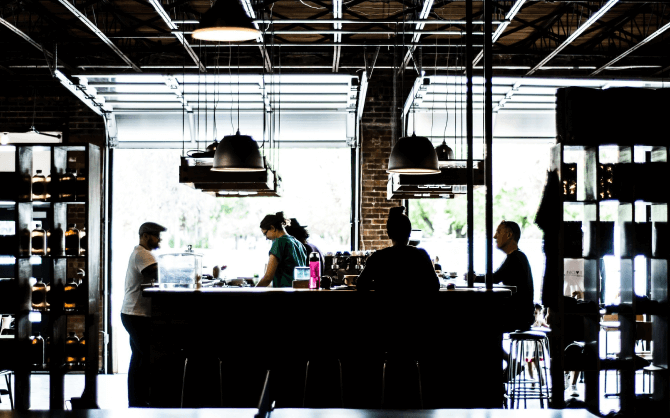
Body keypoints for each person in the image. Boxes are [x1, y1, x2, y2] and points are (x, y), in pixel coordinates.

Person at [120, 221, 166, 407]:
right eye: (156, 236)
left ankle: (136, 401)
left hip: (133, 313)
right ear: (145, 236)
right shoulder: (142, 254)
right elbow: (158, 274)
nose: (159, 240)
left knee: (139, 358)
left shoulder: (143, 253)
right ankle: (142, 400)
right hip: (135, 314)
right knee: (147, 357)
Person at [356, 206, 439, 292]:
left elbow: (361, 285)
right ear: (409, 232)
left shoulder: (377, 257)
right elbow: (435, 286)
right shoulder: (421, 255)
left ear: (389, 234)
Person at [492, 220, 535, 332]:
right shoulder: (517, 256)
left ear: (509, 235)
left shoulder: (515, 258)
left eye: (498, 232)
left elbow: (495, 278)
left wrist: (475, 278)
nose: (494, 236)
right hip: (522, 315)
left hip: (518, 317)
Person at [256, 212, 307, 288]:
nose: (266, 238)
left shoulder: (279, 242)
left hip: (283, 292)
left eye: (265, 233)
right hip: (297, 291)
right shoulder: (299, 244)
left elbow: (268, 277)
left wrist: (253, 291)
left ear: (272, 228)